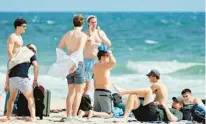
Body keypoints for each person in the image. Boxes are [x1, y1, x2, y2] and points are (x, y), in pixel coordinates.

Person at [114, 69, 182, 122]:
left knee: (147, 91)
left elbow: (146, 93)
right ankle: (124, 119)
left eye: (149, 76)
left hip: (156, 109)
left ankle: (124, 92)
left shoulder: (156, 85)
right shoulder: (162, 85)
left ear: (154, 77)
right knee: (133, 95)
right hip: (152, 108)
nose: (148, 78)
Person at [57, 15, 87, 121]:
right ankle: (74, 116)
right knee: (79, 92)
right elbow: (79, 51)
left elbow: (59, 48)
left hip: (68, 63)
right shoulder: (83, 35)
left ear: (73, 23)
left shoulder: (67, 34)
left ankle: (68, 115)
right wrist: (74, 64)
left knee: (70, 92)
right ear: (82, 24)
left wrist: (64, 60)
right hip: (77, 63)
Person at [78, 50, 116, 119]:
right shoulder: (104, 66)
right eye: (107, 56)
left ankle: (84, 112)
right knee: (109, 114)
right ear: (103, 57)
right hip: (105, 92)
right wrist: (110, 53)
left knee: (97, 111)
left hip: (96, 92)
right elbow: (113, 62)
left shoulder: (95, 66)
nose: (108, 58)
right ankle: (92, 112)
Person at [6, 44, 38, 121]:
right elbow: (36, 66)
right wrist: (35, 80)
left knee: (11, 99)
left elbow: (9, 70)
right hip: (23, 78)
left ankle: (8, 117)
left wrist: (7, 84)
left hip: (12, 78)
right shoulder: (31, 54)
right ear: (32, 50)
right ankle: (33, 117)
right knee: (30, 98)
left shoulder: (16, 53)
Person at [4, 18, 27, 115]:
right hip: (13, 64)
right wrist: (14, 62)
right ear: (18, 26)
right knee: (11, 87)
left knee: (17, 87)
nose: (25, 28)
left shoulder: (20, 37)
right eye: (24, 26)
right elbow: (9, 51)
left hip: (19, 63)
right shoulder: (12, 37)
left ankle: (14, 109)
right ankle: (6, 110)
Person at [84, 15, 111, 94]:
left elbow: (109, 43)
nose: (94, 24)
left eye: (95, 22)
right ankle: (83, 104)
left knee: (98, 85)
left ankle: (96, 104)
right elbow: (86, 44)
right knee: (87, 86)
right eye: (92, 22)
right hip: (88, 61)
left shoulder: (100, 32)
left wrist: (100, 35)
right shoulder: (85, 33)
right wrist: (90, 33)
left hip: (98, 61)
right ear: (88, 23)